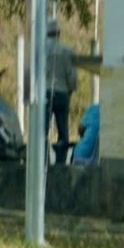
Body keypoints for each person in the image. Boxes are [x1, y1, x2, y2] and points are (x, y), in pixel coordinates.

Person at [46, 23, 78, 163]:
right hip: (62, 93)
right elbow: (72, 75)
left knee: (42, 132)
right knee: (63, 131)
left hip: (44, 93)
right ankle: (60, 163)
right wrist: (70, 89)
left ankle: (43, 162)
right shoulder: (67, 51)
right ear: (59, 32)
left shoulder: (39, 50)